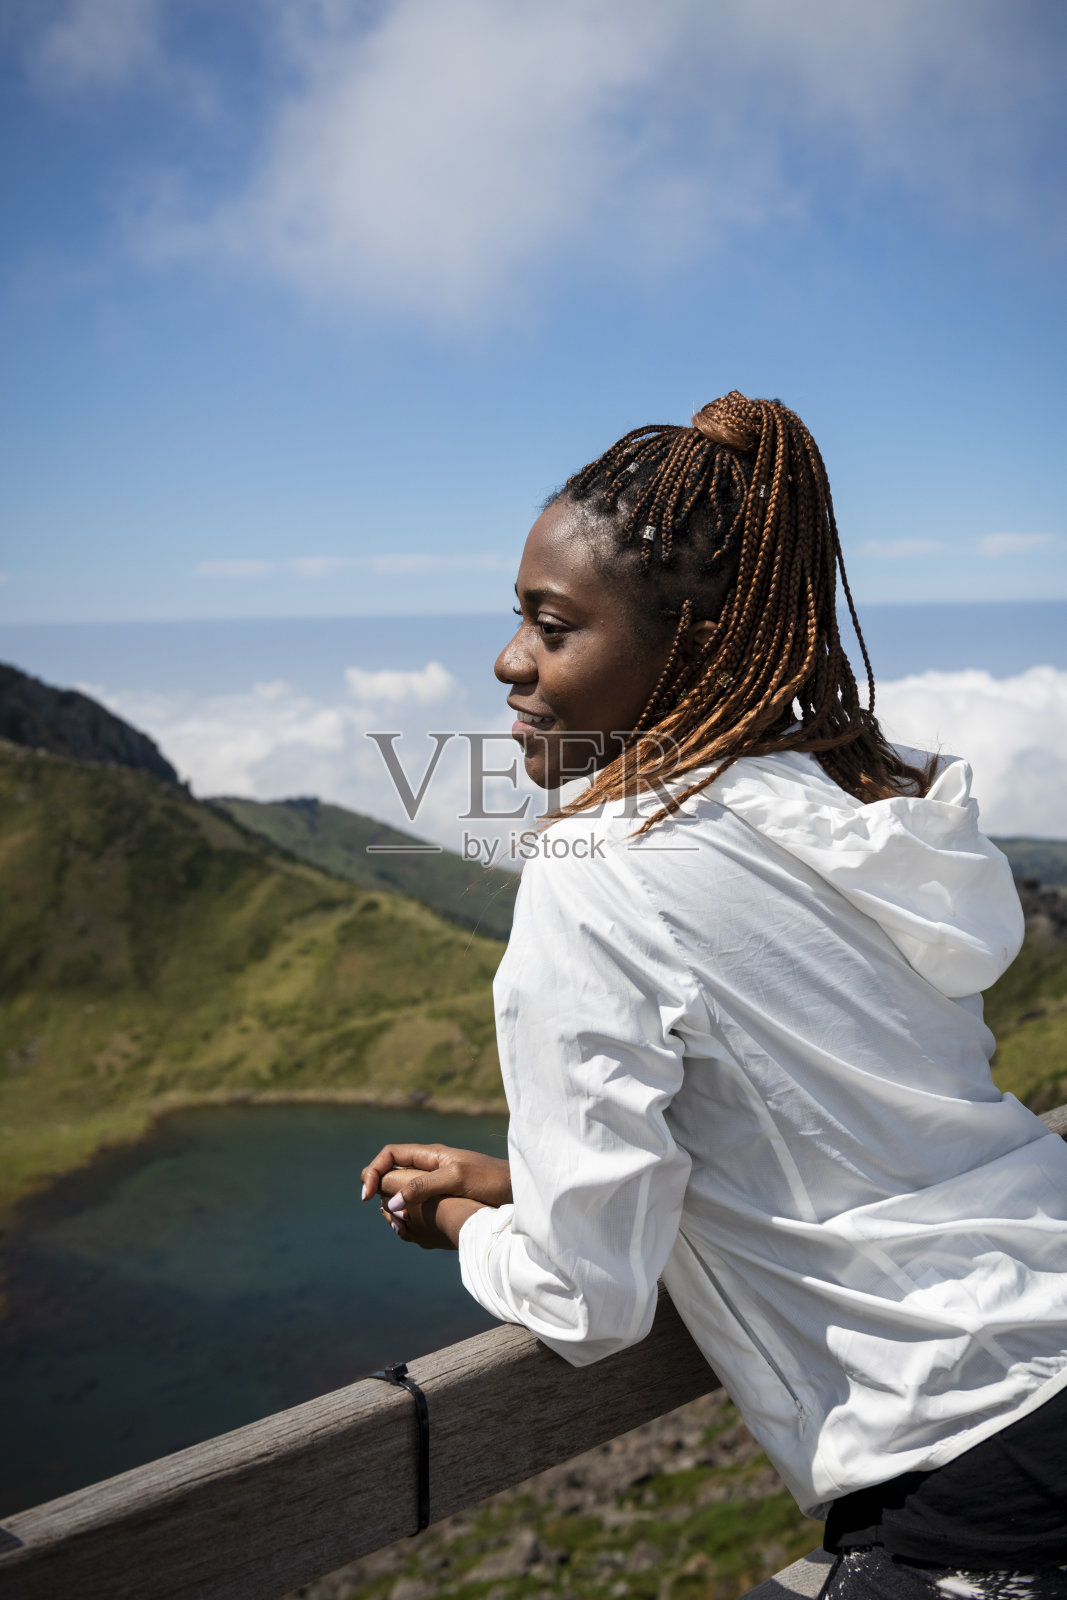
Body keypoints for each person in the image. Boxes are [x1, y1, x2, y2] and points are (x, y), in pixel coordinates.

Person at [361, 391, 1067, 1597]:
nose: (507, 658)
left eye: (551, 624)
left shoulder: (597, 881)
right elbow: (825, 1127)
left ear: (681, 648)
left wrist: (465, 1226)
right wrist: (532, 1181)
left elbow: (588, 1303)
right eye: (515, 618)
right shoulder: (845, 811)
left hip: (968, 1463)